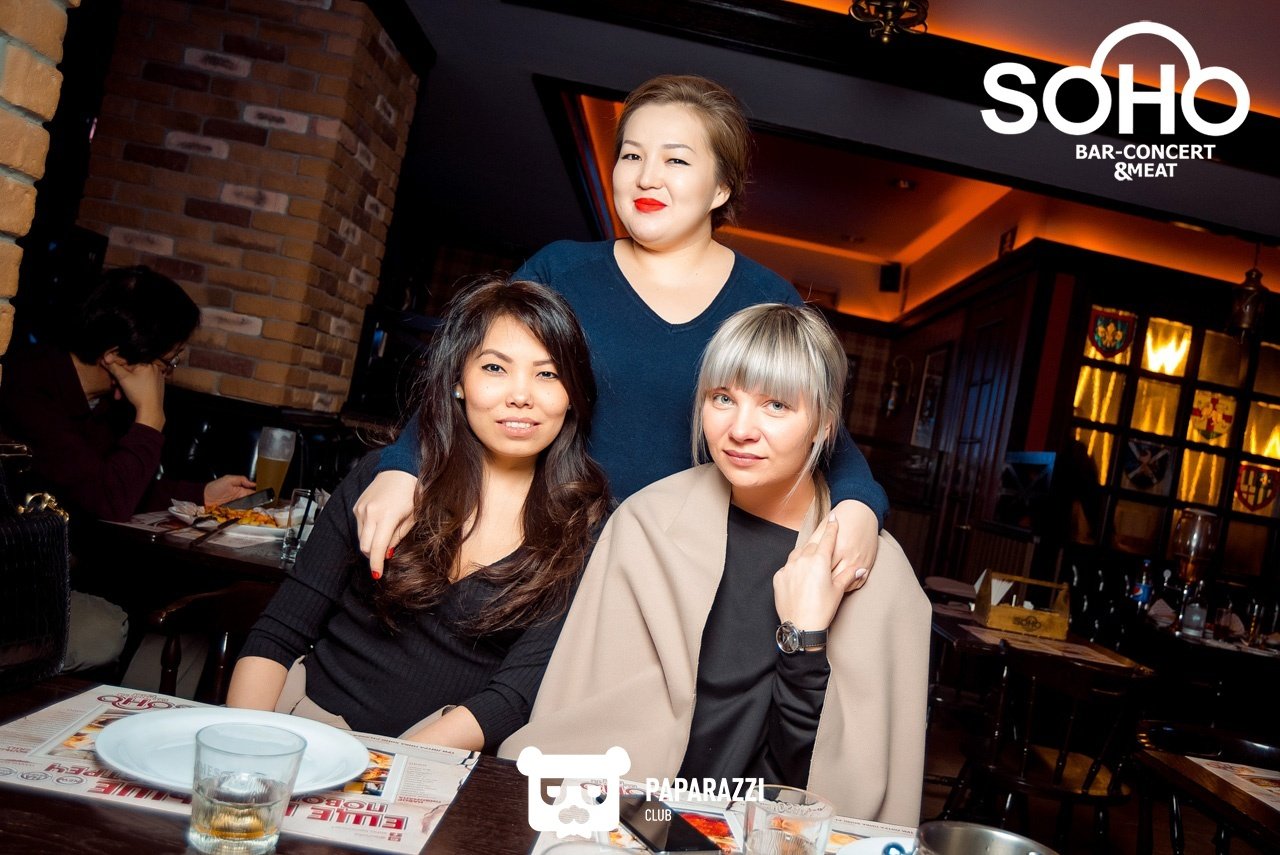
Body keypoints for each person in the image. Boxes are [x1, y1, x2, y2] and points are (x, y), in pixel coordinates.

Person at [354, 74, 888, 586]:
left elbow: (820, 430)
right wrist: (402, 468)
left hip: (680, 574)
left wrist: (860, 505)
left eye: (675, 160)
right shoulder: (559, 271)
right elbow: (472, 376)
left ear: (722, 187)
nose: (646, 177)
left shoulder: (766, 299)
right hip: (540, 559)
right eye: (632, 156)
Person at [500, 304, 931, 826]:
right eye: (723, 398)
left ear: (823, 423)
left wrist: (804, 638)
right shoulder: (645, 525)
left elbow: (830, 792)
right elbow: (579, 725)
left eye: (776, 405)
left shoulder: (879, 574)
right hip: (635, 824)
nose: (740, 429)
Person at [226, 278, 610, 751]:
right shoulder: (386, 482)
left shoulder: (585, 527)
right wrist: (239, 751)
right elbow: (281, 631)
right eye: (495, 367)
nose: (520, 395)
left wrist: (384, 770)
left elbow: (512, 697)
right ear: (458, 381)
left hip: (433, 761)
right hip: (303, 728)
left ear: (572, 393)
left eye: (547, 374)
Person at [0, 265, 255, 672]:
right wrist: (151, 416)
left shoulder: (102, 404)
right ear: (116, 356)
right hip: (21, 585)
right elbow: (109, 499)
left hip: (69, 569)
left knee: (191, 603)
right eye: (167, 363)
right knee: (128, 616)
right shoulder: (30, 389)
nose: (166, 376)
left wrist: (202, 494)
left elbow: (114, 483)